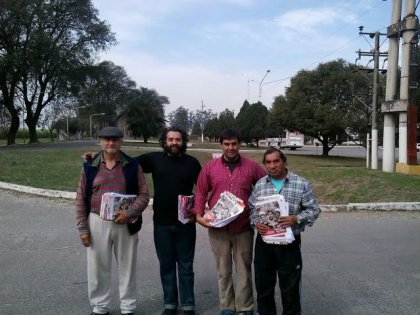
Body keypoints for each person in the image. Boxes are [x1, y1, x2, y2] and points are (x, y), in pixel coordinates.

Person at [75, 126, 150, 315]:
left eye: (115, 139)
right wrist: (83, 228)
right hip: (97, 221)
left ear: (121, 142)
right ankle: (100, 307)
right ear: (100, 141)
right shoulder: (90, 166)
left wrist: (131, 212)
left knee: (127, 265)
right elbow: (80, 198)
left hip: (125, 222)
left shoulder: (132, 165)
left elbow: (144, 194)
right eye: (106, 139)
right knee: (97, 267)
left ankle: (128, 307)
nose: (111, 143)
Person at [193, 128, 266, 315]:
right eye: (227, 144)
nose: (231, 148)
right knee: (223, 270)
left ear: (239, 144)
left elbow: (265, 188)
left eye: (234, 143)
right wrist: (199, 216)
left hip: (243, 227)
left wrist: (264, 213)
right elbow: (201, 192)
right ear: (221, 145)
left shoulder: (252, 167)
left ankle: (245, 307)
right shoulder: (210, 167)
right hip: (218, 228)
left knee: (244, 269)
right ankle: (227, 306)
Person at [248, 148, 321, 315]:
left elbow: (314, 210)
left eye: (276, 161)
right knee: (263, 287)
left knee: (290, 288)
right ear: (265, 164)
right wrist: (256, 222)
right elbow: (251, 209)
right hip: (265, 243)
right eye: (268, 162)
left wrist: (296, 218)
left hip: (289, 244)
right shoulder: (260, 184)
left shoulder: (300, 183)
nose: (272, 166)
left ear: (284, 161)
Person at [137, 126, 201, 315]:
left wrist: (198, 207)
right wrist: (97, 158)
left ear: (183, 141)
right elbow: (125, 163)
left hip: (186, 223)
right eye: (170, 139)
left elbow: (205, 187)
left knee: (186, 265)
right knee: (166, 265)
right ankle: (170, 303)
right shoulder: (154, 159)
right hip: (162, 223)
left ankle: (189, 304)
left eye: (178, 139)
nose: (174, 143)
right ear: (164, 141)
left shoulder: (192, 163)